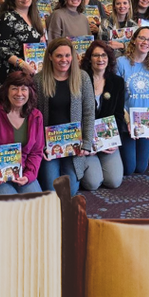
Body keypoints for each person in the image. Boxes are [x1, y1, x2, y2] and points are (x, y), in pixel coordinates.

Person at [36, 38, 96, 195]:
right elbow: (33, 118)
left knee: (69, 192)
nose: (64, 60)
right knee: (52, 189)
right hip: (48, 146)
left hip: (74, 145)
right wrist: (39, 146)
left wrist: (87, 144)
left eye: (67, 55)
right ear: (50, 57)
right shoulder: (39, 80)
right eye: (59, 56)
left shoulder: (82, 77)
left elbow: (89, 112)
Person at [0, 70, 45, 194]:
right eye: (14, 88)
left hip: (24, 172)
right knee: (13, 204)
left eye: (24, 89)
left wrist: (28, 176)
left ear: (30, 92)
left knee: (36, 204)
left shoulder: (36, 116)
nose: (19, 93)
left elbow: (36, 152)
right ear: (6, 91)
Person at [115, 26, 149, 174]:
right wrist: (128, 121)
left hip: (146, 120)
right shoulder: (121, 62)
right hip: (127, 121)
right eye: (142, 38)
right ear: (134, 40)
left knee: (141, 168)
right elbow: (117, 98)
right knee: (129, 169)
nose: (145, 42)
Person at [79, 40, 125, 189]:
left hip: (106, 139)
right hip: (85, 139)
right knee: (93, 183)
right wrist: (87, 143)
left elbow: (118, 115)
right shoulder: (80, 80)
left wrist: (113, 141)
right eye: (96, 55)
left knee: (114, 181)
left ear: (109, 58)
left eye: (104, 55)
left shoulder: (117, 82)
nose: (100, 59)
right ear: (89, 59)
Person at [0, 0, 46, 88]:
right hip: (13, 74)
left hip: (33, 73)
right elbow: (1, 49)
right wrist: (22, 64)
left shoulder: (35, 17)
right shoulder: (7, 17)